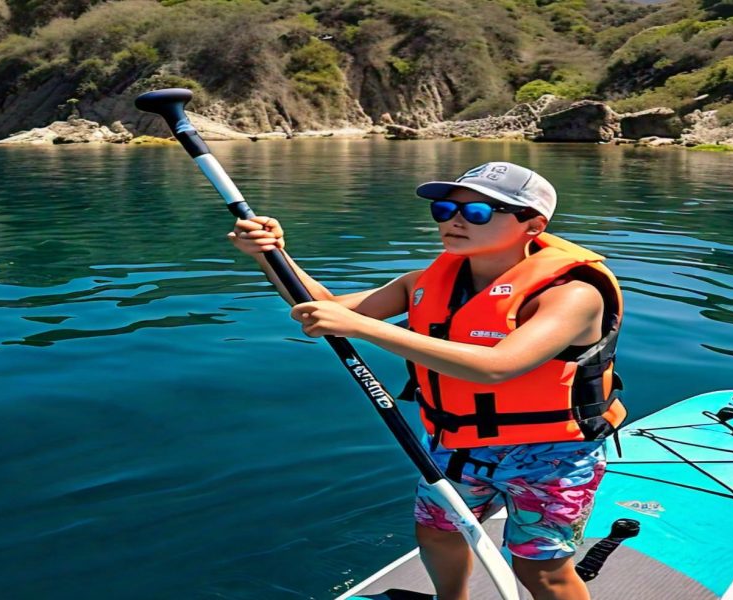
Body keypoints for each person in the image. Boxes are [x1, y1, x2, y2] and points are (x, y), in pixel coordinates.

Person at [227, 162, 626, 600]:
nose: (455, 220)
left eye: (478, 212)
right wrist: (272, 255)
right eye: (444, 209)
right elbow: (324, 308)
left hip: (550, 453)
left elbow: (498, 365)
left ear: (532, 224)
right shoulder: (422, 282)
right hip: (456, 442)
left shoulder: (573, 294)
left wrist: (364, 328)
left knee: (540, 567)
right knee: (437, 533)